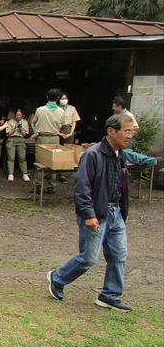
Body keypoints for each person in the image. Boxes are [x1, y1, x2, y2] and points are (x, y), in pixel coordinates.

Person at [47, 114, 135, 312]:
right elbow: (82, 188)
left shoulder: (120, 154)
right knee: (88, 258)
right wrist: (89, 214)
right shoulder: (93, 154)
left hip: (116, 212)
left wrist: (122, 211)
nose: (130, 135)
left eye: (132, 132)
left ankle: (109, 294)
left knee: (119, 255)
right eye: (126, 131)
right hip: (97, 213)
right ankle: (57, 277)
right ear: (111, 131)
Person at [31, 89, 66, 193]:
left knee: (39, 162)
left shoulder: (40, 110)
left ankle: (37, 186)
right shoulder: (61, 111)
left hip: (42, 138)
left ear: (47, 97)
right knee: (53, 163)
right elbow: (61, 124)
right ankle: (51, 187)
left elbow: (33, 122)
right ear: (58, 98)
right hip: (55, 138)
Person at [5, 108, 30, 182]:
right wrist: (14, 127)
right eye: (17, 114)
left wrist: (20, 128)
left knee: (22, 157)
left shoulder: (25, 122)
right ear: (14, 115)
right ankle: (10, 174)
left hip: (21, 139)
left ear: (22, 115)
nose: (18, 116)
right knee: (11, 158)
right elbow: (8, 134)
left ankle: (24, 174)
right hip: (11, 139)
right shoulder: (10, 122)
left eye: (20, 114)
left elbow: (25, 134)